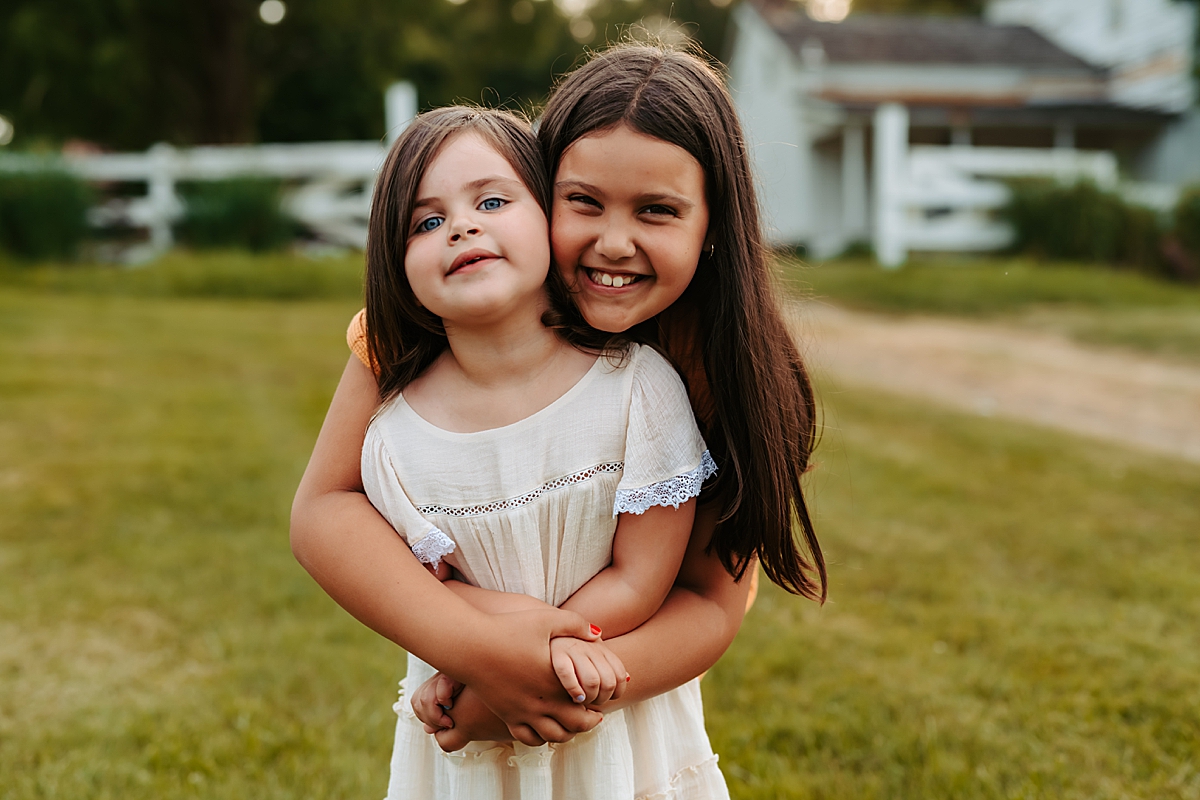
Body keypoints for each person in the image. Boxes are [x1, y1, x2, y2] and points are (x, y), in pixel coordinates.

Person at [290, 43, 826, 794]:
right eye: (583, 202)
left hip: (616, 718)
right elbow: (323, 511)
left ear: (713, 224)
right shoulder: (420, 330)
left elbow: (708, 599)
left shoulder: (707, 368)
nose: (612, 243)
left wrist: (533, 687)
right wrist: (481, 653)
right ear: (541, 197)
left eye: (658, 211)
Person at [356, 102, 726, 796]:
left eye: (492, 200)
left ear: (542, 212)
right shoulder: (392, 439)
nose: (461, 226)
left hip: (617, 730)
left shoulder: (638, 388)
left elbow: (645, 578)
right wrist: (496, 659)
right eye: (426, 222)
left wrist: (537, 658)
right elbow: (434, 592)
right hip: (470, 753)